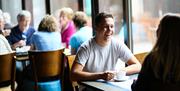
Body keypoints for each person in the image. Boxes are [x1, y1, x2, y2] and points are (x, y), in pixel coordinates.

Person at [71, 12, 141, 81]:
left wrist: (118, 72)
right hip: (88, 88)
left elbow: (138, 66)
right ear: (96, 28)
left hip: (109, 86)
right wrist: (100, 76)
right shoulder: (86, 47)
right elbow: (74, 74)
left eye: (112, 26)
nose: (110, 30)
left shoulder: (117, 44)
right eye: (105, 26)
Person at [131, 14, 180, 91]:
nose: (156, 30)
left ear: (163, 33)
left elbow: (139, 88)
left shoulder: (152, 59)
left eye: (159, 26)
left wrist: (134, 83)